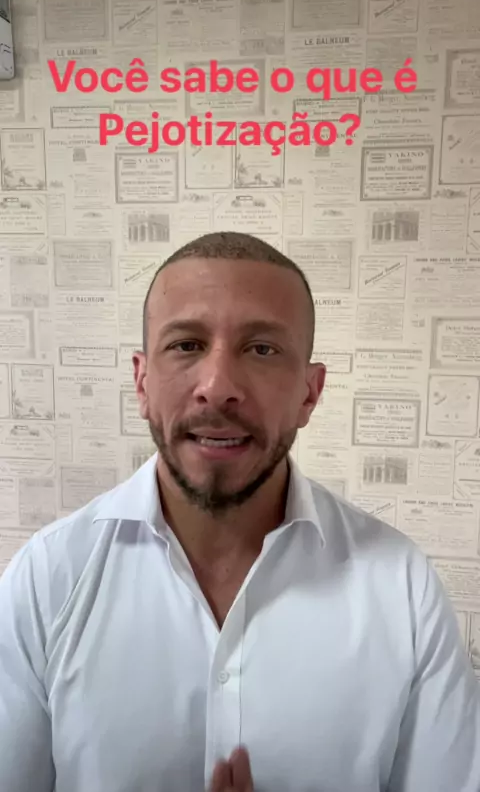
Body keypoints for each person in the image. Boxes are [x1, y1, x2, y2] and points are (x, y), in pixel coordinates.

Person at [0, 231, 479, 792]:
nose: (218, 387)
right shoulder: (47, 578)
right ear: (142, 382)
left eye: (262, 349)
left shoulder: (403, 588)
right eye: (186, 345)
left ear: (309, 392)